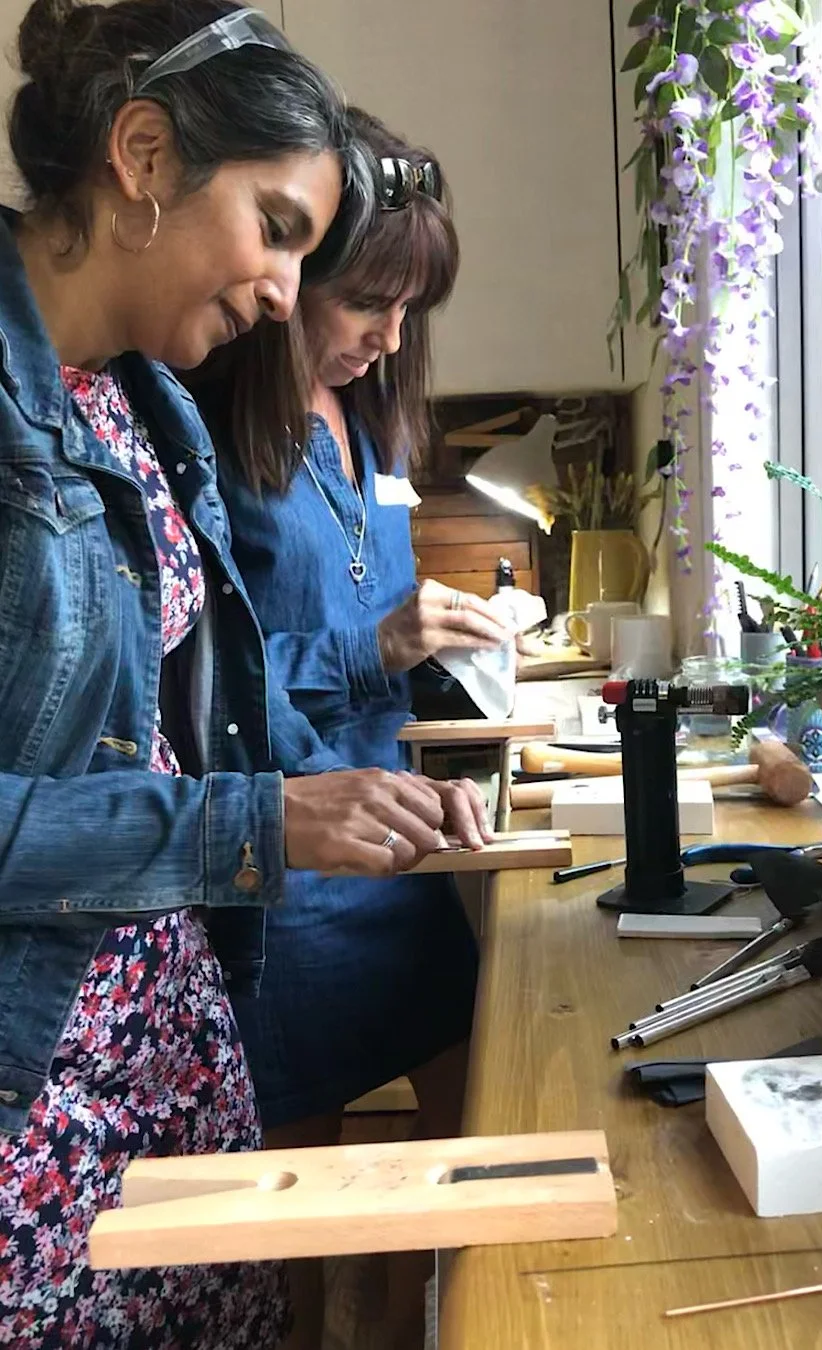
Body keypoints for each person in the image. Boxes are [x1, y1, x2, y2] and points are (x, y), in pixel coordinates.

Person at [0, 3, 480, 1345]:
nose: (285, 292)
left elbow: (211, 700)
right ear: (143, 157)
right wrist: (261, 818)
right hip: (35, 1085)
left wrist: (360, 796)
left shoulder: (146, 407)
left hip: (162, 1048)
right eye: (275, 228)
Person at [192, 110, 510, 1349]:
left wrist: (452, 689)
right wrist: (372, 644)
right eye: (371, 300)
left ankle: (402, 1329)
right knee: (301, 1221)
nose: (390, 337)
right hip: (291, 873)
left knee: (457, 1157)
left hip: (396, 843)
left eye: (412, 310)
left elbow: (376, 628)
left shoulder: (363, 418)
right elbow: (198, 688)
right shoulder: (216, 440)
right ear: (296, 277)